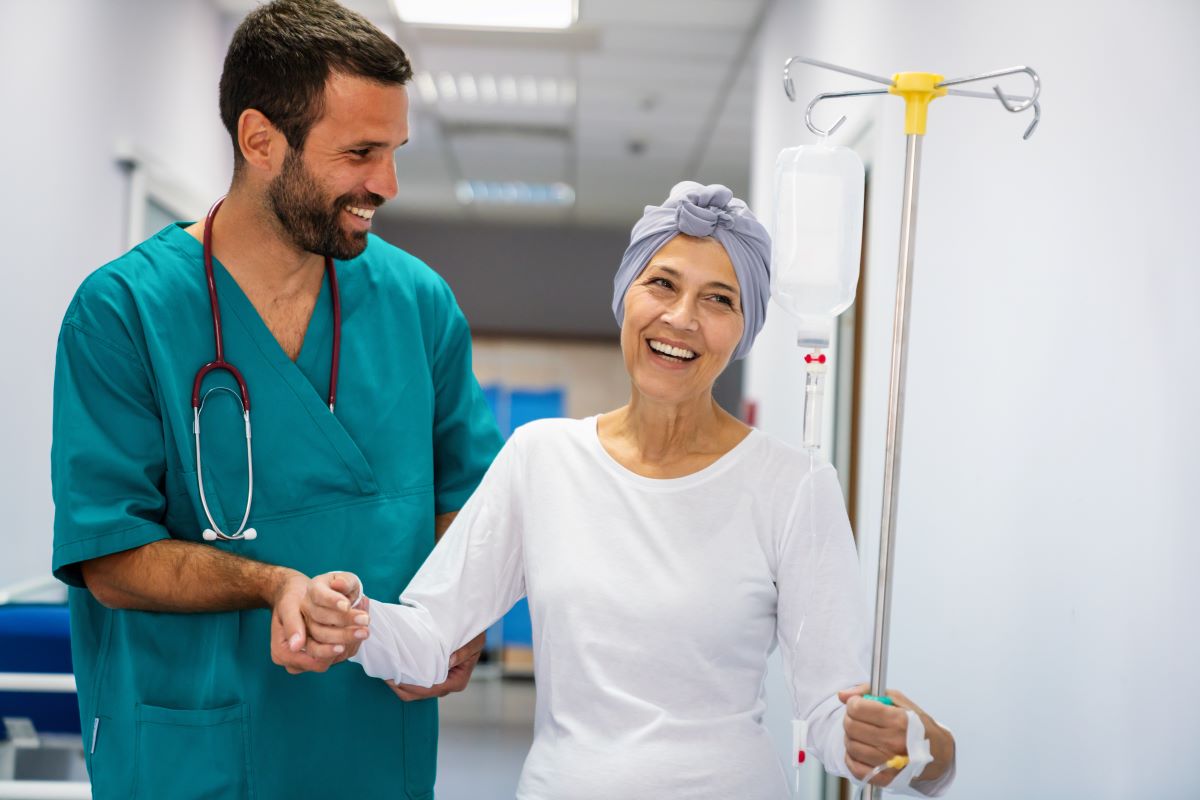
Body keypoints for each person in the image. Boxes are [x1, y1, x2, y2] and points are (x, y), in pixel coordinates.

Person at [300, 183, 957, 798]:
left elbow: (829, 716)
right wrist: (351, 615)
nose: (681, 318)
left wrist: (917, 748)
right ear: (626, 295)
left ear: (745, 329)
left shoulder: (793, 486)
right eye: (662, 284)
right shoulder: (542, 457)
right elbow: (430, 636)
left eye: (719, 299)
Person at [49, 1, 502, 797]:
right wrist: (271, 585)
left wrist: (464, 618)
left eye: (394, 151)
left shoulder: (417, 304)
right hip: (197, 749)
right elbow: (108, 555)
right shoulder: (122, 314)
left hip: (371, 745)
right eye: (360, 152)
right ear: (261, 140)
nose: (386, 184)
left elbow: (468, 499)